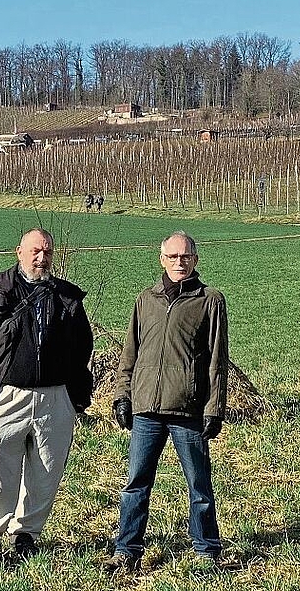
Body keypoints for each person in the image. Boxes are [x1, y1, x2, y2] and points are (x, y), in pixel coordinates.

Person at [0, 228, 94, 574]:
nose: (41, 258)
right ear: (19, 251)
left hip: (55, 400)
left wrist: (76, 399)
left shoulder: (67, 296)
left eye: (47, 252)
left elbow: (83, 350)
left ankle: (26, 536)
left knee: (45, 475)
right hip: (7, 398)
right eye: (35, 251)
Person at [104, 230, 228, 573]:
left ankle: (206, 549)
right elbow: (130, 353)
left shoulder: (210, 300)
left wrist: (214, 408)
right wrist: (122, 395)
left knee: (199, 484)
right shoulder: (146, 299)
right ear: (161, 259)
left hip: (187, 409)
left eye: (185, 256)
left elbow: (218, 360)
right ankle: (127, 548)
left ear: (196, 260)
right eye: (172, 257)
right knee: (135, 483)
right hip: (145, 408)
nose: (179, 262)